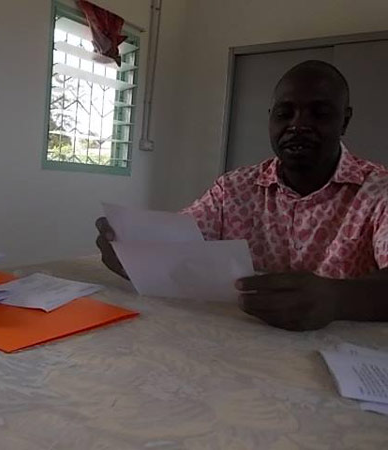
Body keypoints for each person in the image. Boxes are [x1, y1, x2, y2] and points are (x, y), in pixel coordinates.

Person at [96, 60, 388, 331]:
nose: (298, 125)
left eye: (320, 114)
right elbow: (178, 244)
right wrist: (134, 253)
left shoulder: (379, 190)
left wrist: (337, 299)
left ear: (345, 121)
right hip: (239, 347)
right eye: (284, 114)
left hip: (343, 355)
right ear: (270, 119)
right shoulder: (233, 189)